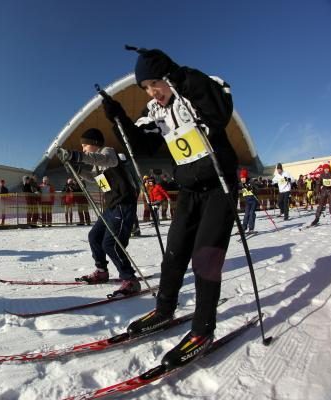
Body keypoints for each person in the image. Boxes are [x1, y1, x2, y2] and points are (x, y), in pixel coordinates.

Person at [101, 48, 237, 367]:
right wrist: (119, 116)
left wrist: (179, 76)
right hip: (189, 189)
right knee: (174, 253)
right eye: (145, 88)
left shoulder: (199, 86)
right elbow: (143, 145)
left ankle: (203, 329)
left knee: (205, 257)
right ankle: (164, 310)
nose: (151, 93)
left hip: (219, 185)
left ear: (167, 76)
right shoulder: (154, 110)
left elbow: (219, 112)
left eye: (154, 84)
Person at [57, 128, 140, 297]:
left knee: (111, 244)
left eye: (85, 145)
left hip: (123, 205)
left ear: (94, 143)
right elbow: (96, 180)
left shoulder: (107, 153)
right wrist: (77, 169)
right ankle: (101, 271)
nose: (83, 149)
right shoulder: (98, 164)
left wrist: (76, 156)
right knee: (94, 236)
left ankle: (130, 279)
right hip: (110, 207)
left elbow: (104, 160)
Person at [309, 164, 331, 229]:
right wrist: (317, 191)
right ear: (323, 169)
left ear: (329, 169)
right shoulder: (322, 175)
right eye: (325, 169)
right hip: (324, 191)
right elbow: (318, 183)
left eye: (327, 168)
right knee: (320, 205)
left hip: (330, 191)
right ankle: (317, 218)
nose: (326, 170)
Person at [239, 168, 258, 233]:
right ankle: (243, 228)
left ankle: (251, 228)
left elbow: (257, 189)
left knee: (251, 213)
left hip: (253, 201)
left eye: (244, 178)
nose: (242, 179)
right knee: (246, 214)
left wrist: (251, 188)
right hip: (247, 201)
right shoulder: (241, 184)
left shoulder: (251, 181)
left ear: (246, 177)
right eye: (241, 178)